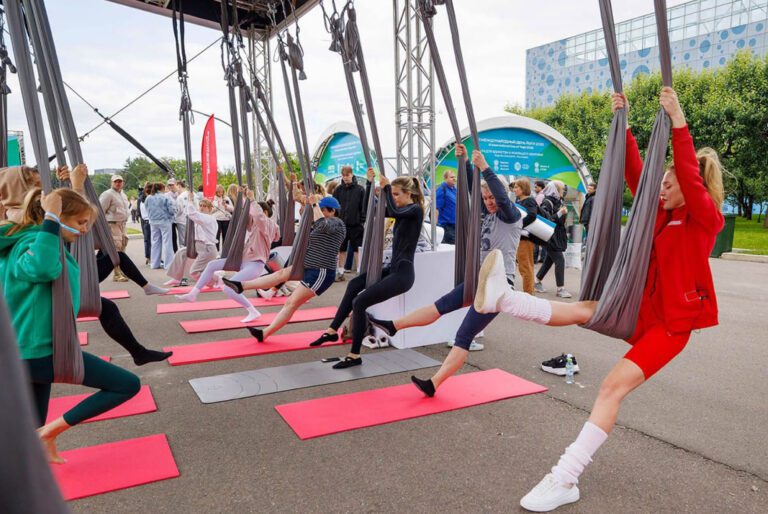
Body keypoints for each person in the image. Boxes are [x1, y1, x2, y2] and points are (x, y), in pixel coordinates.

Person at [472, 87, 725, 512]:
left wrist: (678, 123)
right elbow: (634, 177)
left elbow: (686, 173)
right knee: (586, 310)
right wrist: (621, 127)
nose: (660, 190)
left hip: (671, 326)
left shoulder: (705, 218)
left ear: (689, 185)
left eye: (668, 184)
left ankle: (565, 478)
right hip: (641, 309)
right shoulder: (660, 212)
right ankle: (504, 299)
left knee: (610, 389)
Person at [0, 186, 141, 464]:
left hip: (31, 349)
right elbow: (43, 268)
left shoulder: (43, 239)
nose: (86, 230)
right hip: (38, 351)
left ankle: (36, 453)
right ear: (56, 218)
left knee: (33, 424)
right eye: (80, 223)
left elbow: (65, 226)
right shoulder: (30, 244)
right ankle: (48, 434)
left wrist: (75, 187)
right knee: (126, 385)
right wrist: (52, 216)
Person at [368, 146, 522, 392]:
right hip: (478, 280)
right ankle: (393, 326)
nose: (490, 202)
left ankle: (434, 384)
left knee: (462, 336)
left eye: (492, 198)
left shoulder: (511, 216)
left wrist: (483, 167)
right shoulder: (487, 214)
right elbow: (474, 190)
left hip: (497, 287)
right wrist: (465, 163)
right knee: (439, 306)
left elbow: (501, 197)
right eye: (486, 199)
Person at [310, 173, 425, 369]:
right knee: (354, 284)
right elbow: (371, 210)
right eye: (394, 194)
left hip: (403, 275)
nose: (394, 198)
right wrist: (371, 185)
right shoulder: (404, 209)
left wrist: (387, 188)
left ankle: (354, 355)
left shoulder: (415, 210)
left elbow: (396, 213)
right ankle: (332, 329)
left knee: (360, 301)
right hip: (393, 268)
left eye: (397, 194)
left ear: (409, 194)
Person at [224, 195, 346, 342]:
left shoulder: (337, 224)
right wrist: (304, 202)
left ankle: (265, 333)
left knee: (291, 303)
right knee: (280, 274)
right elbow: (312, 222)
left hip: (321, 272)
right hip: (308, 265)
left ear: (332, 211)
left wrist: (314, 205)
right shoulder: (323, 222)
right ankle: (241, 285)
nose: (317, 211)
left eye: (321, 209)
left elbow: (322, 224)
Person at [176, 190, 280, 323]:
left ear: (265, 212)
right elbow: (247, 218)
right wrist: (242, 199)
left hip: (255, 264)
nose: (253, 216)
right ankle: (193, 293)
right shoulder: (256, 225)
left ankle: (253, 311)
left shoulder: (269, 225)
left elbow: (259, 217)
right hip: (243, 260)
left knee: (230, 289)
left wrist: (252, 200)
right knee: (212, 265)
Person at [165, 192, 219, 287]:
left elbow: (192, 214)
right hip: (197, 246)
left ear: (210, 209)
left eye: (204, 206)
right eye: (200, 205)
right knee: (181, 253)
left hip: (207, 249)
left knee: (194, 272)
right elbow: (189, 213)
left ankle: (216, 280)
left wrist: (190, 200)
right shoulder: (201, 217)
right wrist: (191, 201)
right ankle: (176, 278)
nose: (202, 207)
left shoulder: (208, 218)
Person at [534, 180, 572, 298]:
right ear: (555, 190)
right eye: (561, 189)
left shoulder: (559, 201)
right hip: (548, 236)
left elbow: (560, 220)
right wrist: (560, 213)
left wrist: (562, 214)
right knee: (559, 260)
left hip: (556, 235)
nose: (564, 191)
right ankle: (560, 289)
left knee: (549, 260)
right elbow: (545, 220)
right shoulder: (547, 202)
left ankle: (537, 281)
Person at [332, 166, 366, 278]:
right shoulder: (338, 190)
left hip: (356, 224)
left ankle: (360, 270)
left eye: (347, 175)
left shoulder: (360, 189)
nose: (346, 178)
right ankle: (340, 271)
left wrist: (361, 221)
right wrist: (336, 220)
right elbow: (334, 207)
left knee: (357, 248)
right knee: (341, 248)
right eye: (344, 175)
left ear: (352, 174)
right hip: (341, 224)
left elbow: (363, 206)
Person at [99, 174, 131, 282]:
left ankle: (121, 271)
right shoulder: (107, 194)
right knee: (116, 249)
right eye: (115, 181)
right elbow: (100, 211)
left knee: (122, 248)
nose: (118, 183)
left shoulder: (123, 195)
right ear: (111, 182)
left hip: (122, 225)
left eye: (120, 181)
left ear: (123, 183)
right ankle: (117, 274)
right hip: (112, 225)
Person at [513, 178, 538, 295]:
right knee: (527, 266)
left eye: (516, 187)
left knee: (525, 267)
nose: (514, 190)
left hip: (525, 238)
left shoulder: (529, 201)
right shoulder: (519, 201)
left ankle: (528, 294)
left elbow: (532, 215)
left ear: (523, 188)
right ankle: (530, 292)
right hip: (522, 237)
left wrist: (519, 225)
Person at [146, 182, 176, 270]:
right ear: (162, 188)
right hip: (164, 221)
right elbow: (171, 209)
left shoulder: (148, 197)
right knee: (167, 243)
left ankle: (154, 264)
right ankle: (168, 264)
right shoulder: (165, 197)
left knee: (155, 242)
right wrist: (172, 215)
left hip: (153, 221)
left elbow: (147, 209)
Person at [435, 169, 457, 244]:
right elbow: (436, 208)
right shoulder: (441, 190)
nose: (454, 178)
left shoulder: (454, 190)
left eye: (454, 177)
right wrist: (435, 225)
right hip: (446, 226)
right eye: (451, 177)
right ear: (445, 178)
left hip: (455, 225)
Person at [212, 184, 234, 250]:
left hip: (226, 219)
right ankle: (216, 250)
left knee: (226, 236)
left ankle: (226, 250)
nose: (220, 193)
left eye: (222, 192)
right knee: (216, 236)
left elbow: (232, 209)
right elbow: (211, 211)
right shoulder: (213, 199)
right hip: (216, 219)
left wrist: (226, 206)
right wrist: (217, 205)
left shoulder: (226, 198)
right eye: (219, 192)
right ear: (216, 192)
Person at [533, 180, 547, 263]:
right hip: (543, 220)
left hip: (538, 219)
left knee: (536, 240)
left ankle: (534, 258)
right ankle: (543, 258)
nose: (535, 189)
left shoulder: (540, 196)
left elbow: (536, 208)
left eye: (536, 187)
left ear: (541, 187)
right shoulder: (544, 195)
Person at [139, 182, 152, 264]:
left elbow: (139, 212)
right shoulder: (149, 200)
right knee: (151, 241)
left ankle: (148, 257)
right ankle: (150, 257)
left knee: (147, 240)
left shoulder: (141, 200)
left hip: (145, 221)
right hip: (149, 221)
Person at [174, 180, 190, 248]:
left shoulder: (180, 197)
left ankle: (183, 255)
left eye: (176, 186)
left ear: (179, 186)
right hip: (192, 220)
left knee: (183, 240)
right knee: (190, 239)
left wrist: (175, 216)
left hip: (181, 220)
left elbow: (179, 210)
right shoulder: (193, 194)